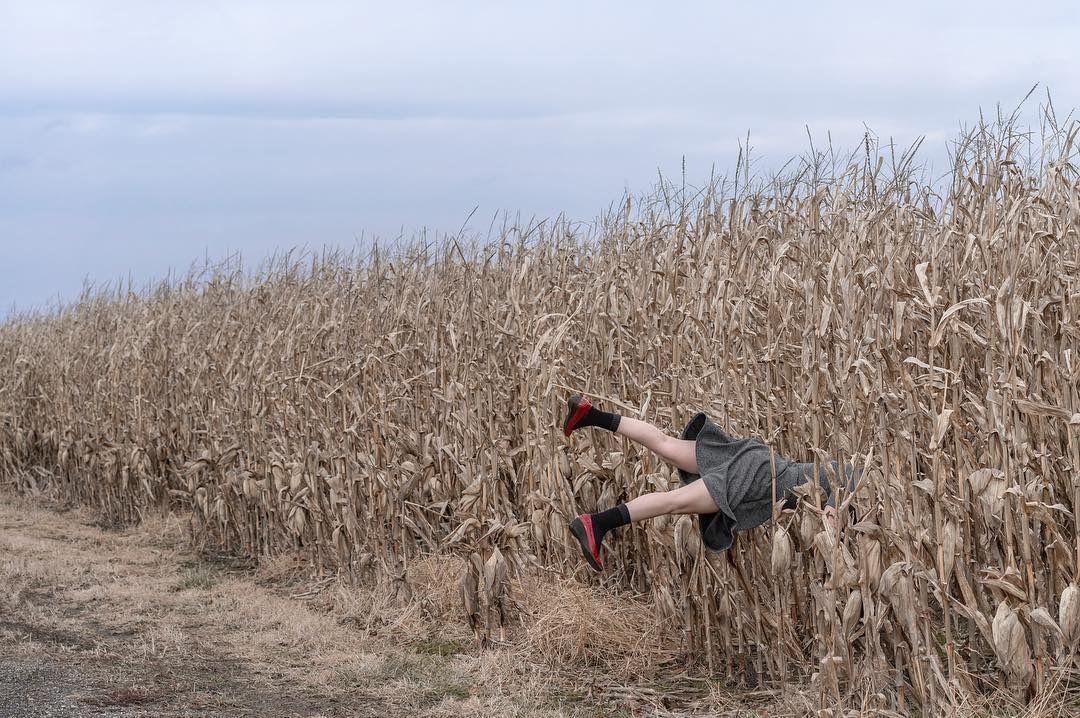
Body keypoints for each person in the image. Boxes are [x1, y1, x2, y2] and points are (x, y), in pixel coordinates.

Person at [563, 394, 855, 571]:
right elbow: (835, 510)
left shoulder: (844, 473)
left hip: (755, 457)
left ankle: (590, 414)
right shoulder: (854, 477)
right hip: (757, 479)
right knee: (673, 502)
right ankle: (597, 523)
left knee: (665, 444)